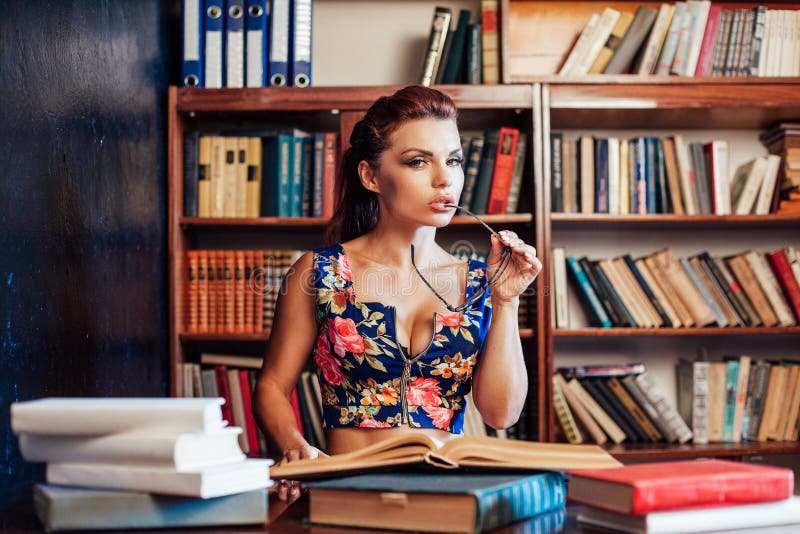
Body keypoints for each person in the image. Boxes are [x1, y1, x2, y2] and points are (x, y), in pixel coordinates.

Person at [253, 85, 542, 501]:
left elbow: (501, 413)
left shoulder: (482, 281)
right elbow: (272, 386)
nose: (445, 178)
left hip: (447, 502)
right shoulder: (322, 272)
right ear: (371, 176)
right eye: (418, 161)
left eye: (453, 160)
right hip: (349, 497)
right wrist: (294, 444)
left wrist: (506, 300)